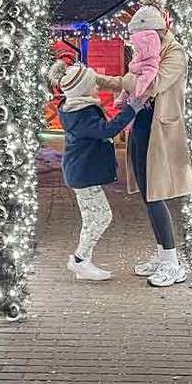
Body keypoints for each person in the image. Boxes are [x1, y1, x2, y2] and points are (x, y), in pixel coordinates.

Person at [96, 0, 192, 288]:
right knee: (147, 196)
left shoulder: (175, 54)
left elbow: (150, 85)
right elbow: (130, 80)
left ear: (156, 34)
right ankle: (163, 255)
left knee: (155, 196)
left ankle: (173, 264)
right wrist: (102, 80)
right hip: (141, 127)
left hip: (160, 133)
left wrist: (129, 79)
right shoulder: (147, 55)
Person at [48, 57, 145, 282]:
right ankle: (80, 259)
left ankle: (84, 263)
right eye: (93, 85)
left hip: (79, 172)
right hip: (83, 174)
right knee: (102, 216)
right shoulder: (81, 114)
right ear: (83, 91)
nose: (97, 87)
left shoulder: (75, 109)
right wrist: (132, 109)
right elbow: (107, 130)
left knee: (91, 218)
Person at [113, 28, 161, 110]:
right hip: (129, 86)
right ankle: (123, 99)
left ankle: (125, 99)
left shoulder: (150, 62)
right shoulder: (138, 57)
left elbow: (145, 79)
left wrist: (136, 94)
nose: (136, 50)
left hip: (136, 92)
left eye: (137, 48)